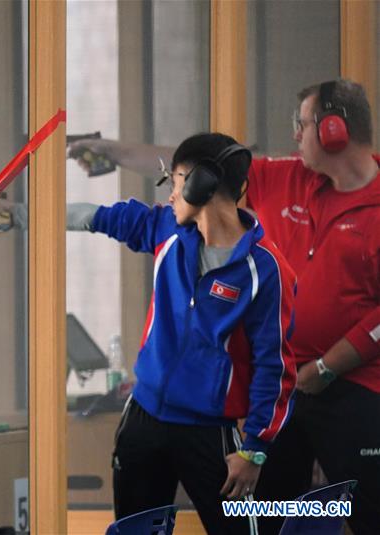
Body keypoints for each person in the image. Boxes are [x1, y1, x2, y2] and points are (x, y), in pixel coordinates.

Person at [68, 79, 380, 534]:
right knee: (270, 514)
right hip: (283, 394)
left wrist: (327, 368)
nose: (295, 134)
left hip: (351, 388)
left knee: (365, 510)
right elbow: (202, 167)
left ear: (335, 130)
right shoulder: (287, 177)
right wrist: (113, 152)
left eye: (303, 124)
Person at [66, 133, 297, 534]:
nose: (171, 195)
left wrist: (255, 450)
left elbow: (273, 367)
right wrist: (19, 213)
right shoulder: (165, 230)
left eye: (174, 182)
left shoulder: (266, 270)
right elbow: (97, 217)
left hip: (210, 432)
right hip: (143, 420)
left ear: (199, 185)